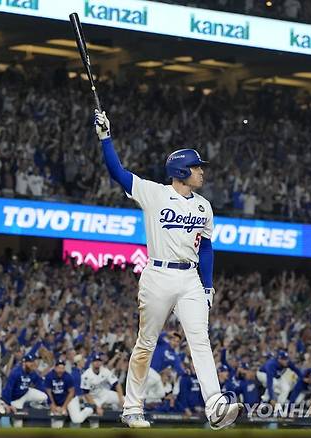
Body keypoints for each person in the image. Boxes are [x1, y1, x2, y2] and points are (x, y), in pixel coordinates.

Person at [93, 110, 239, 429]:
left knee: (200, 339)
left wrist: (208, 285)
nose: (201, 172)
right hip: (158, 275)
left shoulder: (204, 206)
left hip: (189, 278)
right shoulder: (155, 193)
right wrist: (106, 138)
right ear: (181, 170)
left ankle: (214, 403)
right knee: (146, 342)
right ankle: (132, 406)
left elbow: (208, 247)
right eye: (197, 167)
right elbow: (117, 172)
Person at [1, 353, 47, 427]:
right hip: (15, 399)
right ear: (24, 363)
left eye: (33, 362)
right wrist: (8, 404)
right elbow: (8, 389)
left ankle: (33, 404)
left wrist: (49, 401)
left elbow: (39, 383)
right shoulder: (16, 372)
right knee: (18, 424)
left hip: (26, 392)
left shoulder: (32, 372)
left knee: (44, 396)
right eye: (30, 362)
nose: (32, 364)